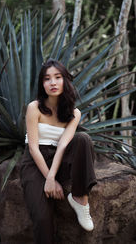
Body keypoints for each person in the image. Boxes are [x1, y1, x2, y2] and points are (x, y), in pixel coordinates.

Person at [20, 59, 97, 244]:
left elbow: (63, 144)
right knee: (42, 218)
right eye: (47, 79)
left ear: (65, 81)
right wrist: (48, 178)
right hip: (34, 162)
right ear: (42, 84)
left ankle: (80, 199)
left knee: (83, 139)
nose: (52, 83)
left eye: (57, 77)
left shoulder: (74, 112)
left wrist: (52, 177)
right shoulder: (34, 107)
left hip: (61, 159)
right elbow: (33, 147)